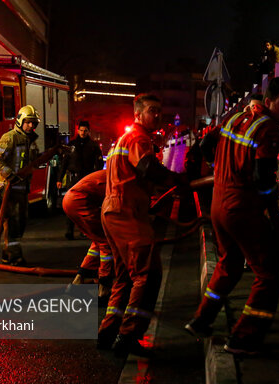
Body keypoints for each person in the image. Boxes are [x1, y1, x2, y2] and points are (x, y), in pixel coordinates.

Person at [185, 77, 279, 355]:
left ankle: (202, 319)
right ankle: (244, 337)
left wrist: (219, 168)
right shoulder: (268, 129)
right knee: (268, 271)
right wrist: (270, 193)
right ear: (269, 102)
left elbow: (205, 145)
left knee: (230, 262)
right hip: (242, 208)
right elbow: (262, 177)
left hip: (219, 204)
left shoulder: (237, 118)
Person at [97, 93, 187, 357]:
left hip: (113, 211)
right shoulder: (138, 137)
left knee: (125, 275)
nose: (157, 115)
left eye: (159, 111)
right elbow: (148, 167)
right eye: (151, 110)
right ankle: (128, 336)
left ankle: (107, 331)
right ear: (137, 114)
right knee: (148, 274)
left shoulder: (123, 140)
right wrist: (176, 180)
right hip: (127, 212)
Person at [0, 105, 40, 265]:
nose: (31, 126)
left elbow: (34, 161)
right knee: (11, 223)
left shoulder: (30, 141)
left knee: (22, 222)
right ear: (20, 121)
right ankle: (15, 256)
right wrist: (9, 175)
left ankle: (7, 254)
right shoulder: (10, 137)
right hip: (8, 190)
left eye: (33, 123)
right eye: (28, 122)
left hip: (22, 190)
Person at [62, 169, 113, 303]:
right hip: (80, 201)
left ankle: (78, 282)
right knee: (106, 241)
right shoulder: (120, 177)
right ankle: (104, 288)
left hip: (70, 200)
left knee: (97, 241)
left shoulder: (110, 172)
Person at [58, 120, 104, 240]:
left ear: (89, 131)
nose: (83, 132)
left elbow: (99, 163)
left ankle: (85, 231)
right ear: (78, 131)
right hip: (73, 178)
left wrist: (95, 177)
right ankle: (69, 231)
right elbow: (64, 162)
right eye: (81, 130)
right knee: (70, 206)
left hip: (86, 179)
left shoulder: (93, 146)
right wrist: (59, 178)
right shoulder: (72, 145)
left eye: (85, 130)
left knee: (86, 206)